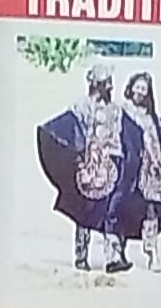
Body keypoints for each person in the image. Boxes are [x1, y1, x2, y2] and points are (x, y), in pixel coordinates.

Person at [35, 67, 140, 274]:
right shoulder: (81, 106)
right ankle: (81, 256)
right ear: (96, 85)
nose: (109, 87)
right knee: (85, 210)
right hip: (89, 164)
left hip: (113, 164)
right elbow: (68, 127)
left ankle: (113, 258)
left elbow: (129, 131)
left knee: (113, 210)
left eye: (110, 83)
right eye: (106, 83)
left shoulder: (116, 110)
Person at [124, 72, 161, 271]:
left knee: (152, 209)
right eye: (138, 87)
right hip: (129, 169)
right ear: (131, 88)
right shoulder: (124, 111)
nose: (140, 92)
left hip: (150, 171)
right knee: (123, 209)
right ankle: (118, 253)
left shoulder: (150, 116)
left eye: (144, 88)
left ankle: (152, 252)